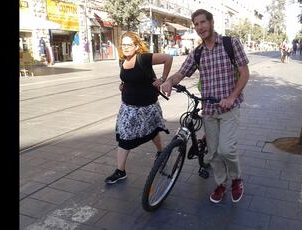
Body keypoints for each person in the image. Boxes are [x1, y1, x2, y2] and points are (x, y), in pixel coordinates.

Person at [161, 9, 250, 204]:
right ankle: (221, 183)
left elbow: (244, 73)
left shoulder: (230, 43)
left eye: (203, 22)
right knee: (213, 153)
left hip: (229, 108)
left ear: (211, 22)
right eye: (196, 24)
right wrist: (169, 81)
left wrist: (232, 96)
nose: (200, 27)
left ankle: (236, 179)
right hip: (209, 110)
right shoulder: (198, 52)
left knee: (226, 149)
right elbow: (180, 74)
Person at [105, 31, 173, 184]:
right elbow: (127, 78)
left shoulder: (144, 58)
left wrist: (162, 78)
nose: (126, 48)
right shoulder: (122, 61)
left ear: (136, 46)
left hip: (147, 106)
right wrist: (123, 85)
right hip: (129, 107)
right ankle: (120, 171)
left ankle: (161, 152)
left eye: (129, 44)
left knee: (153, 130)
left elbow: (168, 58)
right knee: (125, 136)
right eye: (123, 45)